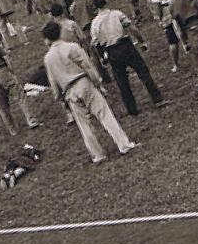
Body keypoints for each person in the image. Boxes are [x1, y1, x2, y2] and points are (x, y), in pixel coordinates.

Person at [41, 21, 137, 164]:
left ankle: (98, 155)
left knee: (84, 125)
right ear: (60, 32)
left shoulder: (48, 58)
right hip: (83, 83)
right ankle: (123, 144)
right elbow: (87, 65)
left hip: (69, 91)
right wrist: (98, 82)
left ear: (47, 38)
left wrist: (59, 97)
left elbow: (53, 81)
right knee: (104, 114)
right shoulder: (72, 47)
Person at [88, 0, 166, 116]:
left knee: (122, 81)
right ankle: (157, 99)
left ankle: (132, 108)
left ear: (94, 6)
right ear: (105, 1)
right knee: (143, 71)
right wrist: (142, 41)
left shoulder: (95, 23)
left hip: (111, 51)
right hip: (125, 45)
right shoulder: (116, 14)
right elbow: (132, 28)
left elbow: (95, 43)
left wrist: (102, 57)